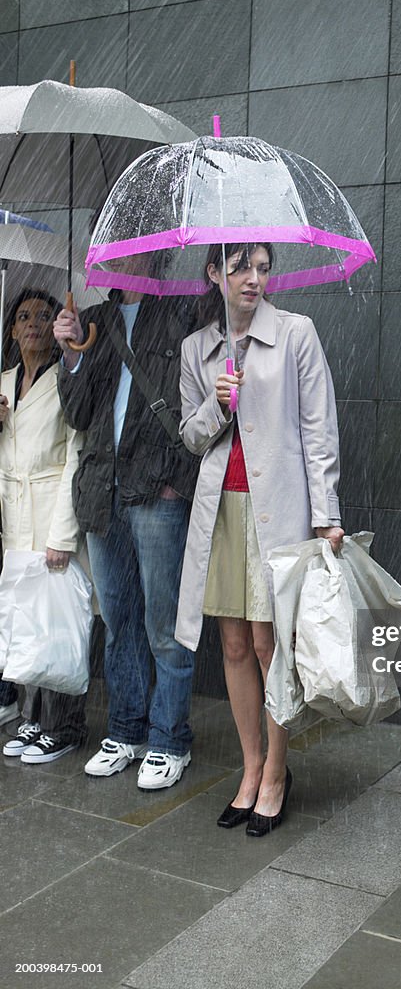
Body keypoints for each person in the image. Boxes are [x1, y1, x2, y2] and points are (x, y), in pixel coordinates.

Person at [175, 242, 343, 836]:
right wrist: (217, 406)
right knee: (235, 645)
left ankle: (277, 770)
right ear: (214, 273)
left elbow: (320, 429)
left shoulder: (296, 334)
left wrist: (328, 515)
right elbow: (191, 437)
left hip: (281, 510)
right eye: (241, 266)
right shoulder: (199, 348)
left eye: (264, 268)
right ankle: (249, 768)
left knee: (271, 645)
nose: (254, 279)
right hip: (222, 510)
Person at [52, 258, 199, 790]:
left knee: (164, 624)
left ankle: (168, 737)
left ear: (154, 252)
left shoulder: (183, 311)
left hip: (157, 485)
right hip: (101, 489)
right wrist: (69, 354)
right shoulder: (92, 318)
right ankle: (126, 729)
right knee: (119, 621)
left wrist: (173, 476)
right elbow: (79, 413)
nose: (122, 256)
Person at [0, 288, 87, 762]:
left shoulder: (65, 379)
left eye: (44, 315)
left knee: (57, 622)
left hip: (51, 510)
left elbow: (76, 454)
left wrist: (63, 535)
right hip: (15, 515)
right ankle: (32, 719)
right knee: (25, 622)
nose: (34, 322)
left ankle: (65, 725)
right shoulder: (3, 383)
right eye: (24, 316)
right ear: (11, 329)